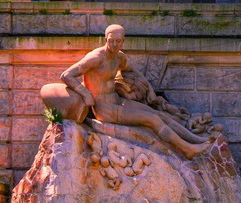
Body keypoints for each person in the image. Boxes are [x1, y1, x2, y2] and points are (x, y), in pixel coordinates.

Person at [40, 24, 212, 159]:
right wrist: (85, 94)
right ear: (105, 39)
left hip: (117, 101)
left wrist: (150, 91)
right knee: (151, 119)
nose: (114, 44)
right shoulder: (96, 58)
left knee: (159, 114)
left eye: (118, 41)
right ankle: (187, 149)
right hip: (104, 110)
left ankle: (194, 139)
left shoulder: (119, 57)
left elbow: (134, 71)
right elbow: (66, 75)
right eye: (110, 40)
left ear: (123, 40)